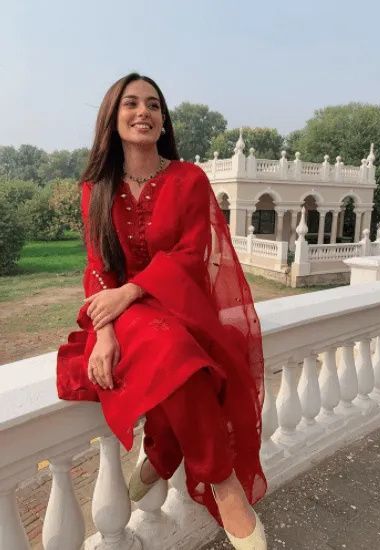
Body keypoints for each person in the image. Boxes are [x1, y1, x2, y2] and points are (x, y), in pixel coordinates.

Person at [57, 72, 268, 549]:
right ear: (113, 119)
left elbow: (192, 254)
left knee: (176, 348)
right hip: (116, 315)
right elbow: (97, 265)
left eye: (153, 105)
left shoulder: (187, 178)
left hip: (175, 302)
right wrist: (104, 331)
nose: (143, 113)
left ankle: (180, 460)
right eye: (131, 104)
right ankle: (214, 476)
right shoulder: (96, 186)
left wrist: (130, 293)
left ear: (163, 119)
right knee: (173, 351)